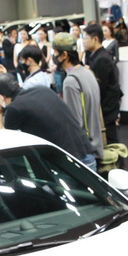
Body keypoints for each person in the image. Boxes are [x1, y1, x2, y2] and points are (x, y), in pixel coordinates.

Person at [0, 73, 94, 164]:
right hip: (86, 152)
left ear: (1, 97)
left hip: (69, 162)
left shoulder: (14, 108)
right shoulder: (41, 89)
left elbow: (2, 138)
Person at [53, 33, 104, 171]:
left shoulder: (70, 81)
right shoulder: (87, 72)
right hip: (94, 146)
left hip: (83, 152)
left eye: (55, 53)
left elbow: (75, 122)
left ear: (64, 55)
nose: (54, 56)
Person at [83, 24, 122, 145]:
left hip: (107, 108)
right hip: (105, 107)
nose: (83, 41)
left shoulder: (102, 58)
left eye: (85, 38)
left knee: (110, 141)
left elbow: (100, 87)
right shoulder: (95, 56)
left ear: (95, 39)